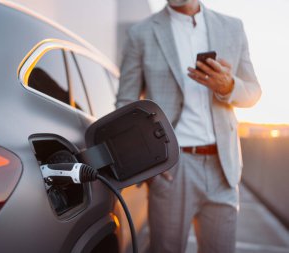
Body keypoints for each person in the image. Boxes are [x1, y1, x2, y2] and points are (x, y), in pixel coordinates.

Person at [116, 0, 262, 252]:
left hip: (223, 167)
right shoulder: (141, 33)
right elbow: (126, 104)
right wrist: (146, 163)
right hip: (172, 167)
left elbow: (253, 92)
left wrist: (228, 86)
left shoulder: (232, 27)